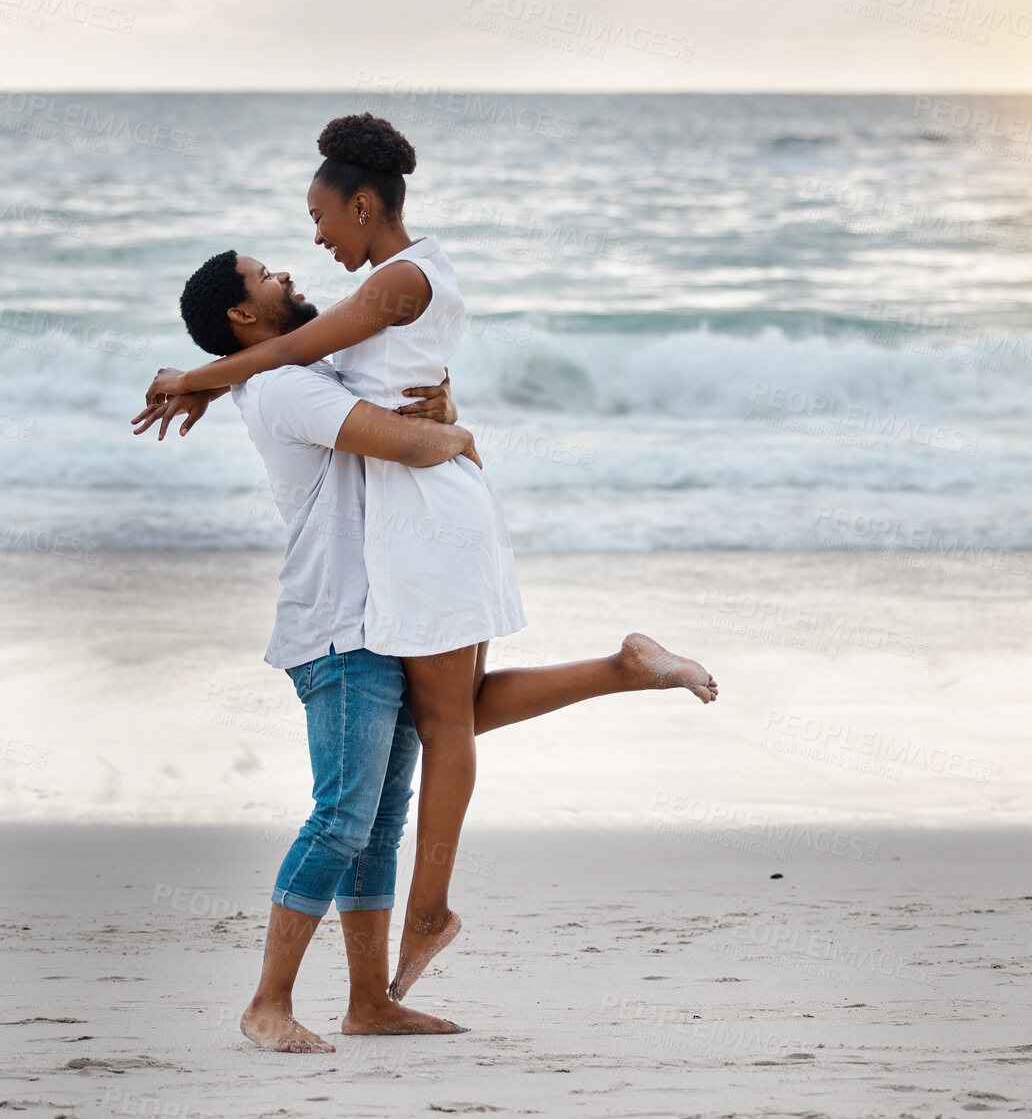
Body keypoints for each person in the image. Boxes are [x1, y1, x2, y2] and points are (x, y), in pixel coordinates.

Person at [135, 251, 718, 1051]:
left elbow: (357, 374)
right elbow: (407, 445)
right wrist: (457, 430)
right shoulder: (286, 386)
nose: (290, 278)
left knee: (380, 821)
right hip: (337, 626)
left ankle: (369, 1002)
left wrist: (196, 376)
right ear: (244, 312)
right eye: (268, 276)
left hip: (385, 616)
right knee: (342, 815)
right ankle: (267, 1001)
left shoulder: (298, 368)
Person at [143, 113, 527, 997]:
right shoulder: (312, 358)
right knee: (395, 771)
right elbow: (309, 372)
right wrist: (215, 379)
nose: (305, 248)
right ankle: (289, 996)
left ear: (362, 204)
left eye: (317, 219)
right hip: (378, 569)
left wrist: (206, 376)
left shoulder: (370, 307)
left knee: (413, 771)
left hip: (403, 560)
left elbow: (312, 354)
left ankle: (396, 960)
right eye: (273, 268)